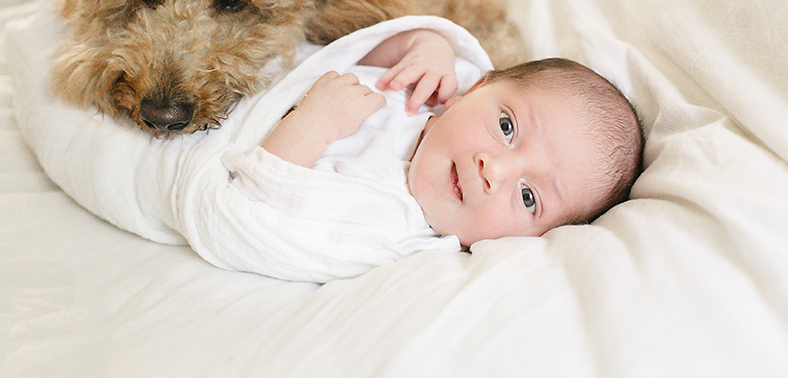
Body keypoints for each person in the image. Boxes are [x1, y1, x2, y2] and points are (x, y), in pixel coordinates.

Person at [261, 28, 643, 248]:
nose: (493, 170)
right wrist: (425, 46)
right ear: (476, 88)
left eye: (528, 197)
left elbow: (262, 207)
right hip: (266, 48)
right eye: (506, 127)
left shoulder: (393, 221)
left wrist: (312, 126)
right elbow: (350, 41)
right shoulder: (441, 84)